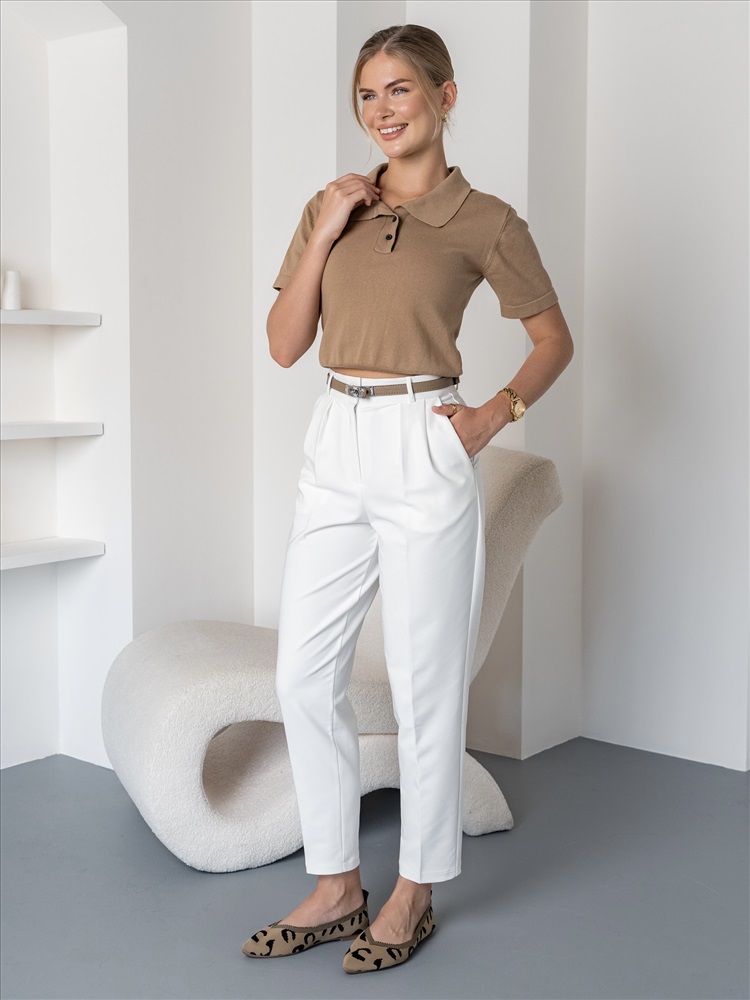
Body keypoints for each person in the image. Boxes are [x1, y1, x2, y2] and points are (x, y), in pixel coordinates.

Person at [242, 23, 573, 974]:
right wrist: (327, 227)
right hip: (334, 435)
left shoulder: (487, 220)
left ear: (444, 95)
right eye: (367, 95)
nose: (381, 111)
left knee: (426, 682)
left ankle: (415, 890)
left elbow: (553, 339)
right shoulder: (333, 205)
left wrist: (494, 415)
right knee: (304, 673)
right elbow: (283, 343)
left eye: (399, 90)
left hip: (424, 438)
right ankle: (336, 884)